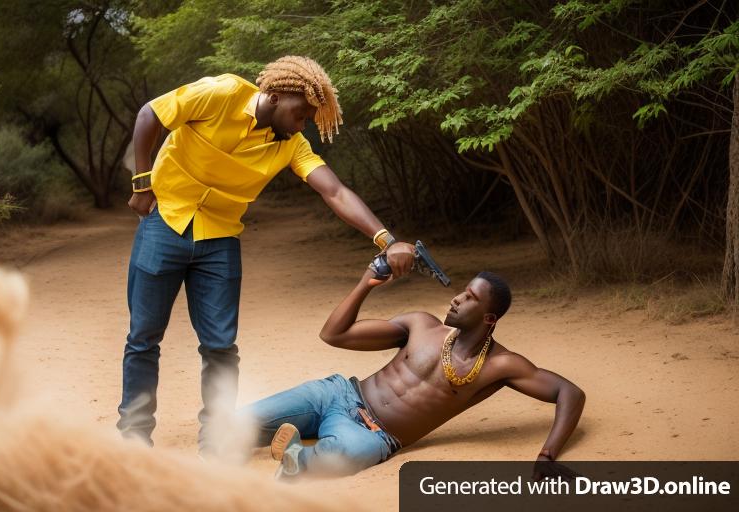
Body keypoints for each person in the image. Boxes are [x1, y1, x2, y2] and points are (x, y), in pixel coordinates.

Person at [119, 55, 416, 453]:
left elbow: (335, 191)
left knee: (221, 347)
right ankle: (134, 438)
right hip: (165, 223)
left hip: (220, 239)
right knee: (143, 338)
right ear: (274, 96)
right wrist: (142, 184)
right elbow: (149, 115)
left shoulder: (292, 145)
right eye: (302, 113)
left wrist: (386, 238)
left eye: (310, 117)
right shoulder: (221, 93)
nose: (305, 123)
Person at [240, 269, 586, 479]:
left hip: (377, 434)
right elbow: (334, 334)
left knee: (349, 452)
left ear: (489, 318)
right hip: (337, 394)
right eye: (461, 291)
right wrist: (366, 283)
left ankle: (298, 457)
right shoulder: (420, 324)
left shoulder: (500, 365)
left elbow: (570, 393)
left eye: (469, 297)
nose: (456, 299)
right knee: (235, 424)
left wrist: (547, 457)